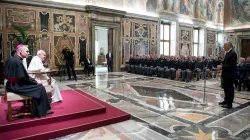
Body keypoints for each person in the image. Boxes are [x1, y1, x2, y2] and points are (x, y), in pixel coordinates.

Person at [4, 44, 53, 118]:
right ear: (20, 52)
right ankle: (41, 111)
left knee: (38, 86)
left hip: (11, 84)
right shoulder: (17, 62)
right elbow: (24, 78)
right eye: (27, 51)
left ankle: (36, 109)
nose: (28, 53)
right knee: (40, 87)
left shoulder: (11, 59)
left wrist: (34, 81)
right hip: (16, 86)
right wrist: (36, 81)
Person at [218, 42, 237, 109]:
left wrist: (222, 67)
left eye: (224, 45)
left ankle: (229, 104)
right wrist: (221, 64)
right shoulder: (228, 53)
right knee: (225, 88)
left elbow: (231, 65)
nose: (223, 47)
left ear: (228, 46)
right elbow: (226, 62)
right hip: (226, 74)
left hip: (230, 75)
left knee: (229, 89)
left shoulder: (233, 53)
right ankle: (226, 101)